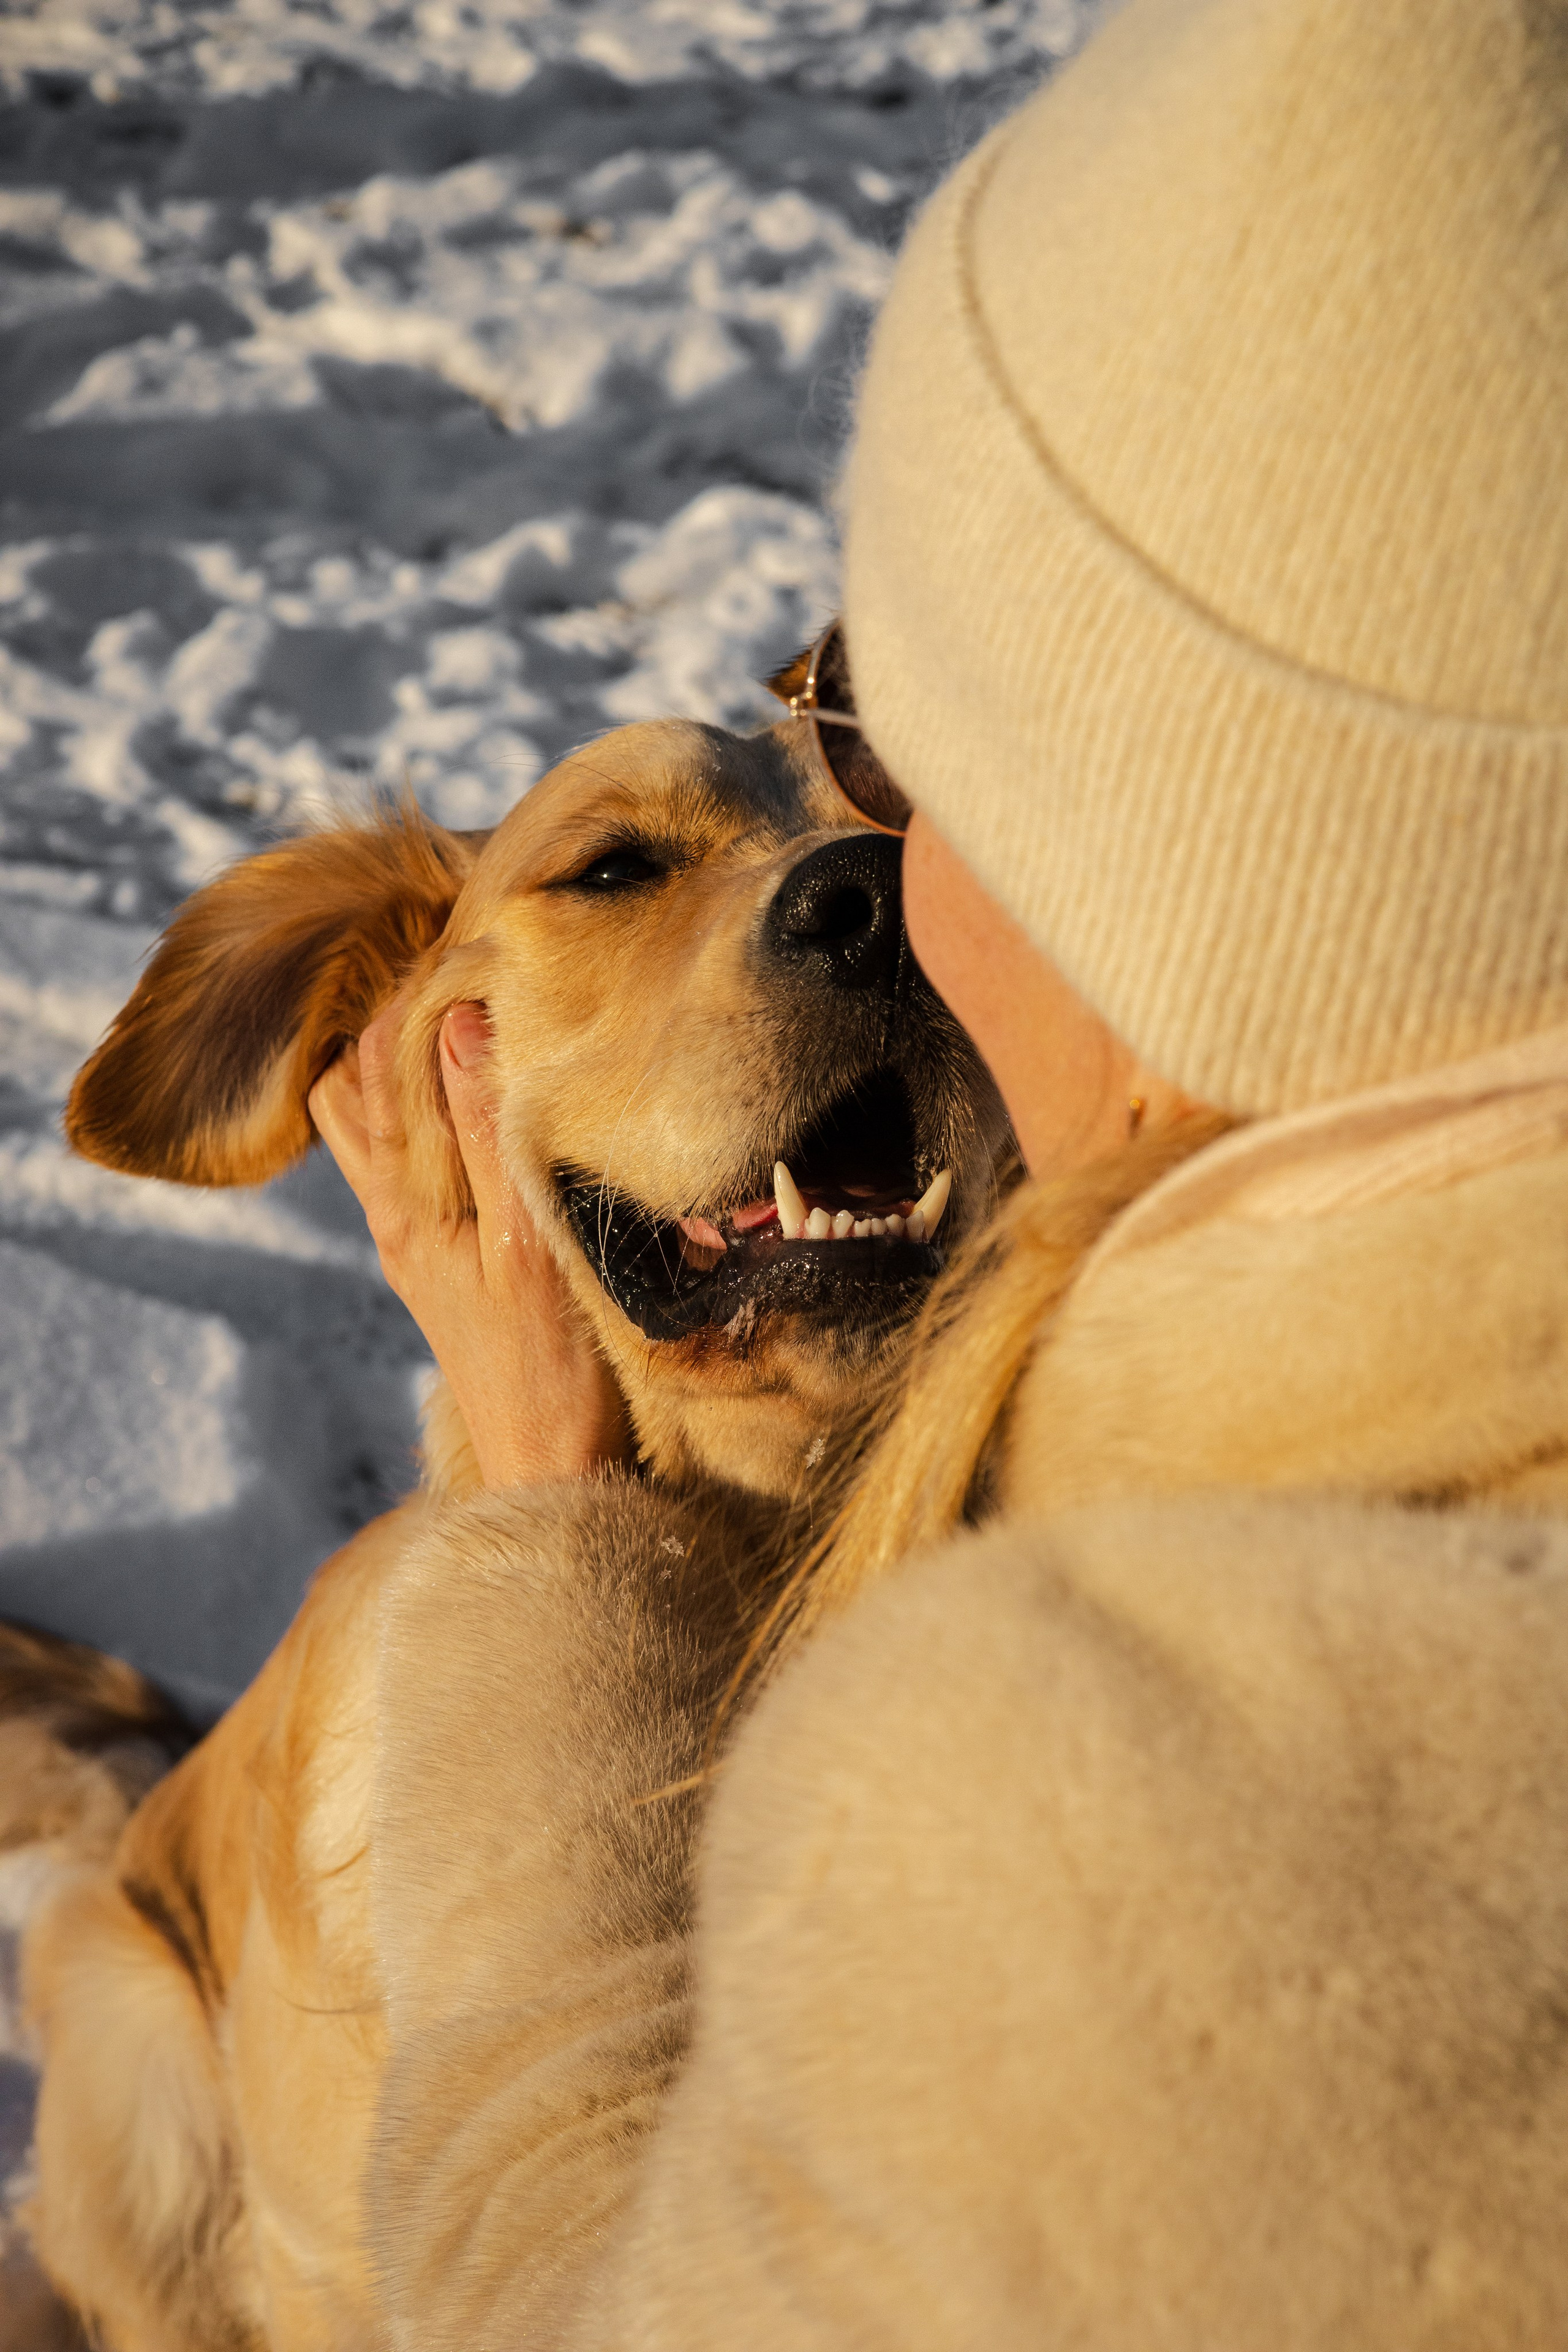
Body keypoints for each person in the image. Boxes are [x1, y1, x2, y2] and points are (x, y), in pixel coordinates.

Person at [312, 0, 1568, 2339]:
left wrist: (548, 1536)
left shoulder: (1110, 1817)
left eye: (894, 728)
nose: (853, 866)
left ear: (1181, 853)